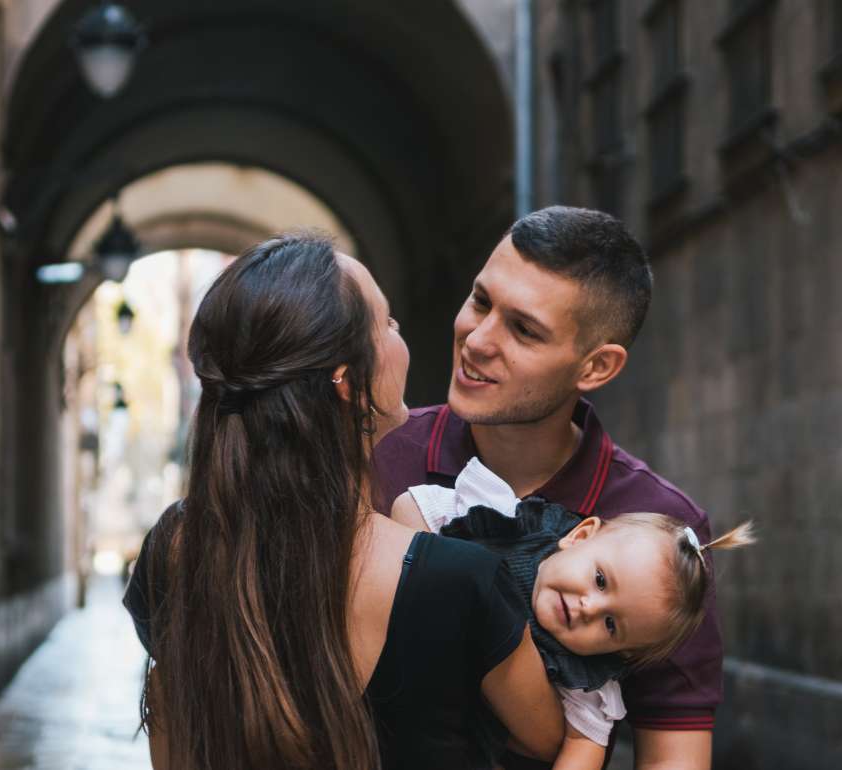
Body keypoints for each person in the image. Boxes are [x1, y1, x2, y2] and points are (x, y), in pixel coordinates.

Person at [123, 233, 567, 770]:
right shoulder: (459, 581)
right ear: (348, 381)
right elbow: (551, 741)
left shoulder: (175, 549)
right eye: (388, 324)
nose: (402, 337)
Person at [375, 206, 725, 770]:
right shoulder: (378, 456)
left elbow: (673, 754)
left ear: (596, 367)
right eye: (481, 301)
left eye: (524, 330)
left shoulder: (660, 525)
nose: (478, 340)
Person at [393, 457, 756, 768]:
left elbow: (585, 746)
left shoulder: (585, 679)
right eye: (600, 580)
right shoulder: (502, 525)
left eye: (611, 625)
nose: (589, 608)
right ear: (580, 536)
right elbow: (409, 507)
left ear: (622, 653)